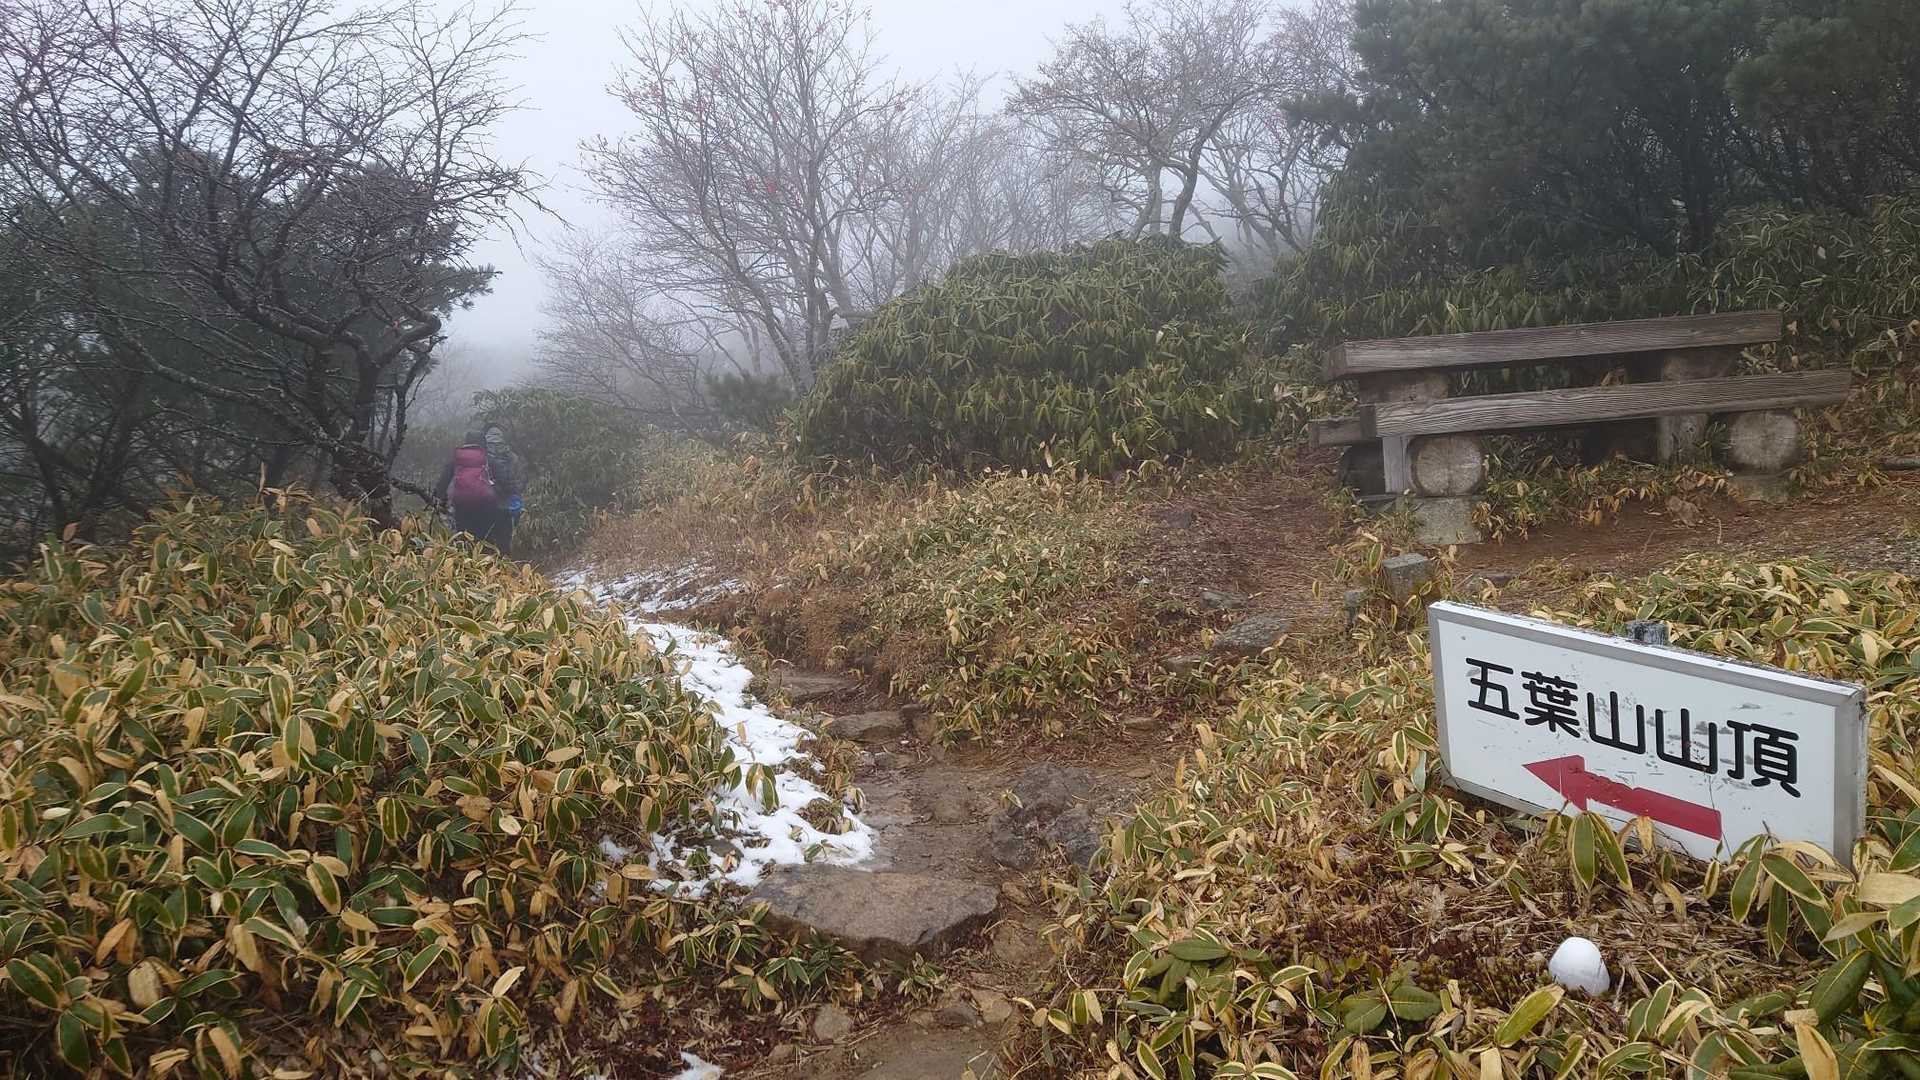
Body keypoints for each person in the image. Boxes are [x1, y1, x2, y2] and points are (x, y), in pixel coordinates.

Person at [439, 430, 503, 551]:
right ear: (483, 443)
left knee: (464, 537)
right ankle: (486, 559)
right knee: (486, 538)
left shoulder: (457, 460)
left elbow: (443, 482)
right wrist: (499, 494)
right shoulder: (487, 459)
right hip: (486, 505)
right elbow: (504, 481)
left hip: (461, 505)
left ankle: (466, 558)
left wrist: (441, 500)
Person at [481, 423, 525, 557]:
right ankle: (505, 563)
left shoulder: (480, 456)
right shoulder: (511, 456)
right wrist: (515, 494)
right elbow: (520, 479)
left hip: (485, 504)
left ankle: (487, 565)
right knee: (504, 540)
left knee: (486, 541)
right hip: (505, 504)